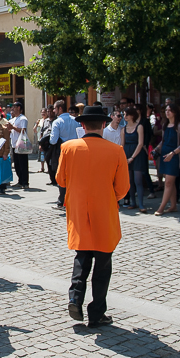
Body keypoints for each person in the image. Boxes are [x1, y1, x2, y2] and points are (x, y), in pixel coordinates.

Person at [57, 105, 130, 327]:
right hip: (104, 210)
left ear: (83, 125)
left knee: (82, 256)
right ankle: (97, 312)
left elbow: (60, 180)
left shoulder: (68, 148)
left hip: (79, 211)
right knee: (103, 263)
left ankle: (75, 298)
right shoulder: (116, 150)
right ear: (103, 124)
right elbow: (123, 189)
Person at [156, 104, 180, 216]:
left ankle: (161, 207)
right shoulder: (165, 125)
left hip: (174, 157)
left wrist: (173, 153)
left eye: (170, 110)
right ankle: (173, 206)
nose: (167, 112)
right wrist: (157, 148)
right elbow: (163, 141)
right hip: (164, 155)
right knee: (170, 182)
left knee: (168, 182)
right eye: (166, 110)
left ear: (175, 112)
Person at [49, 101, 80, 208]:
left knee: (62, 176)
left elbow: (53, 140)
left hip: (62, 151)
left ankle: (62, 201)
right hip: (75, 151)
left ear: (60, 109)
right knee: (73, 176)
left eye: (55, 108)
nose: (53, 111)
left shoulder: (57, 122)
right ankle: (72, 200)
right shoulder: (76, 120)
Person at [123, 106, 148, 212]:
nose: (125, 116)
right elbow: (122, 144)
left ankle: (141, 204)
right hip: (127, 154)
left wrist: (132, 157)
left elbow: (140, 143)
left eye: (126, 114)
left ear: (132, 115)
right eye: (124, 114)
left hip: (137, 154)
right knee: (130, 181)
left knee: (138, 180)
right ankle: (133, 202)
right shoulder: (123, 129)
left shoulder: (139, 126)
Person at [8, 100, 30, 189]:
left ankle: (25, 182)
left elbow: (23, 130)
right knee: (17, 164)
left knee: (23, 164)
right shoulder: (14, 119)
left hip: (21, 144)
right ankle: (20, 181)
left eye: (14, 107)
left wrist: (13, 127)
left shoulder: (23, 118)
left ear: (19, 108)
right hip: (14, 144)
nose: (12, 108)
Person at [33, 108, 51, 174]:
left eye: (44, 112)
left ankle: (48, 168)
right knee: (41, 154)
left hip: (46, 139)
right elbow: (35, 130)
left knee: (47, 154)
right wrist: (36, 124)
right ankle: (42, 167)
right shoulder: (40, 121)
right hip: (40, 139)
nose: (43, 114)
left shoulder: (48, 120)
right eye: (42, 112)